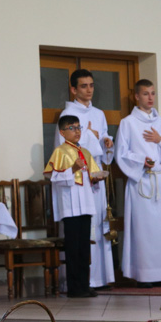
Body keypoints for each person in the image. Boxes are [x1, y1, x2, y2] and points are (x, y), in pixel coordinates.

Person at [55, 69, 116, 290]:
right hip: (78, 181)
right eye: (83, 86)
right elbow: (62, 152)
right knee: (79, 235)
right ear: (73, 89)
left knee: (97, 227)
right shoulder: (67, 116)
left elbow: (101, 143)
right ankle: (80, 282)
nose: (89, 90)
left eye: (91, 85)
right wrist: (91, 138)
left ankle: (99, 278)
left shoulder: (99, 114)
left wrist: (107, 142)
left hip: (95, 178)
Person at [114, 80, 161, 287]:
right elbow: (120, 153)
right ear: (136, 97)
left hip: (160, 181)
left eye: (153, 93)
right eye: (146, 94)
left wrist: (160, 141)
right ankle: (143, 275)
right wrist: (141, 161)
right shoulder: (128, 123)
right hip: (141, 181)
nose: (150, 98)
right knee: (142, 229)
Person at [44, 115, 102, 298]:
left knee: (84, 247)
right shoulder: (60, 152)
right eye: (72, 128)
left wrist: (97, 178)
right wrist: (73, 170)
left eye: (79, 127)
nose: (77, 131)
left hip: (85, 204)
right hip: (70, 206)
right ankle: (74, 288)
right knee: (73, 248)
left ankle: (85, 285)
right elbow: (53, 177)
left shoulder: (85, 151)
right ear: (62, 132)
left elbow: (91, 176)